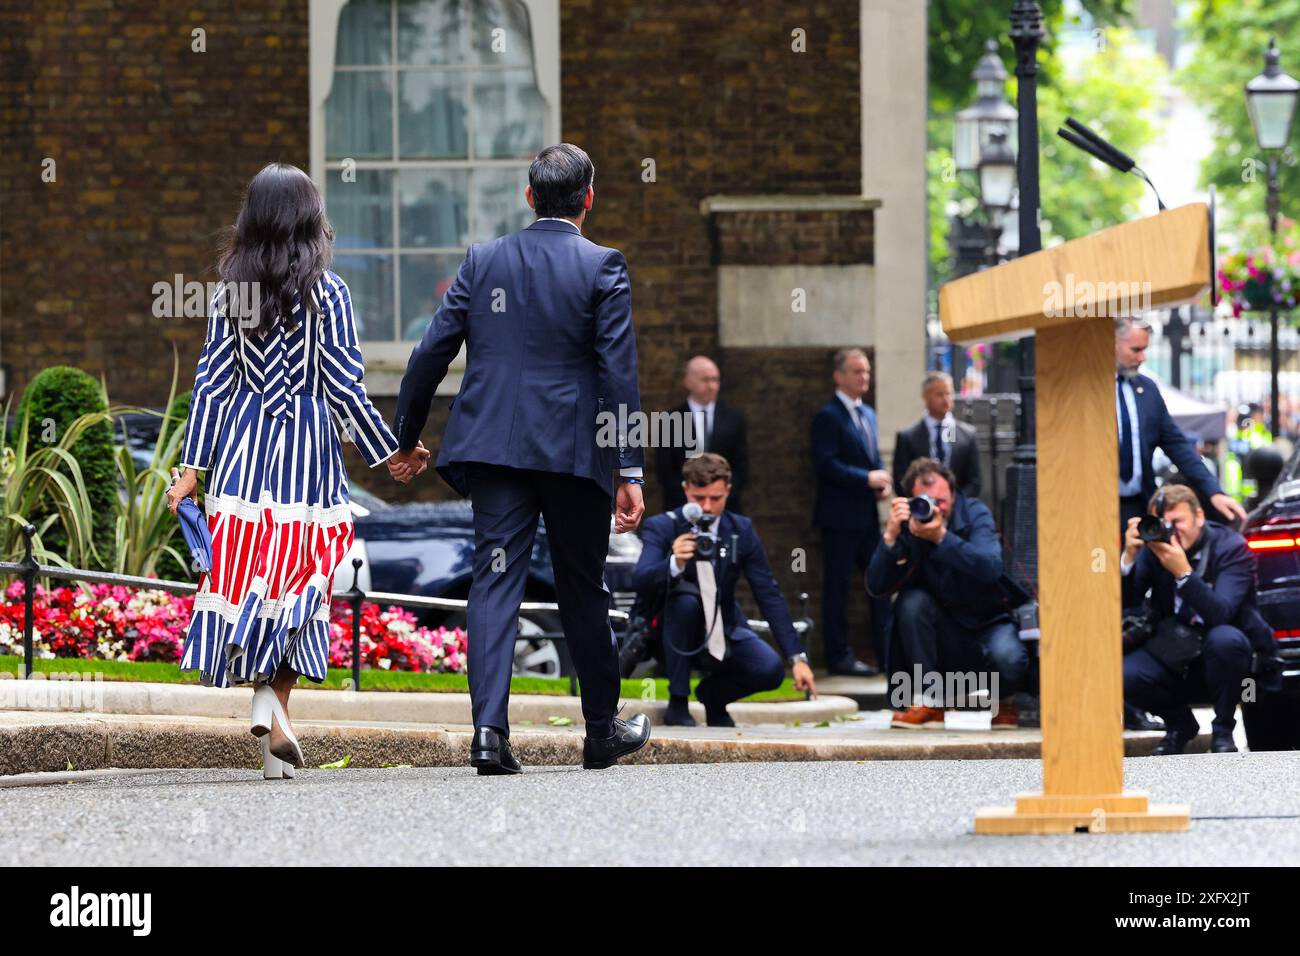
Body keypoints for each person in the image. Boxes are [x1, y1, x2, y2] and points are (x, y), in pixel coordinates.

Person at [389, 143, 650, 774]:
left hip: (497, 452)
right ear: (588, 199)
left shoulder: (484, 260)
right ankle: (598, 732)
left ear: (529, 197)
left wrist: (405, 434)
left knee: (494, 580)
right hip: (572, 454)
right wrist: (630, 469)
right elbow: (619, 374)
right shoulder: (602, 266)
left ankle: (488, 733)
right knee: (583, 589)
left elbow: (430, 352)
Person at [165, 163, 428, 779]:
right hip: (307, 458)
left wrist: (191, 469)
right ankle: (271, 708)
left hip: (241, 454)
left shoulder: (231, 294)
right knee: (302, 584)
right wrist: (387, 452)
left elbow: (211, 386)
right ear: (310, 218)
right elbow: (342, 386)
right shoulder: (329, 292)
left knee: (249, 582)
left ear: (252, 219)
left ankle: (269, 735)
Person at [632, 453, 816, 726]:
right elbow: (641, 580)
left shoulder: (741, 530)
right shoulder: (663, 526)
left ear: (728, 490)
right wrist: (674, 563)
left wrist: (796, 657)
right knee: (686, 601)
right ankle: (678, 702)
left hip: (723, 628)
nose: (706, 507)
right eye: (698, 498)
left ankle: (713, 697)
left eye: (715, 499)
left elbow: (768, 593)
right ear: (685, 490)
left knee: (770, 669)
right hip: (669, 633)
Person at [867, 457, 1029, 729]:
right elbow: (876, 587)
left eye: (941, 500)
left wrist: (942, 538)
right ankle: (929, 702)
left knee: (1010, 658)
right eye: (926, 502)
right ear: (911, 501)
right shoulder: (910, 525)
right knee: (911, 602)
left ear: (954, 494)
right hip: (943, 630)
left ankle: (1004, 700)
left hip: (987, 622)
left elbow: (990, 567)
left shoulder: (976, 513)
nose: (935, 509)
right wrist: (891, 537)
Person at [1121, 483, 1278, 755]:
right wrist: (1128, 558)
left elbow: (1222, 613)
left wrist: (1183, 573)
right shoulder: (1155, 547)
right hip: (1175, 647)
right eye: (1163, 523)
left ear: (1200, 516)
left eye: (1178, 521)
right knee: (1123, 674)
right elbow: (1128, 601)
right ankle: (1180, 724)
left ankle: (1223, 731)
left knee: (1226, 641)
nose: (1170, 531)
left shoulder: (1231, 547)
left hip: (1227, 654)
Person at [1115, 316, 1246, 532]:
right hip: (1097, 506)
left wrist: (1214, 492)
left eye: (1145, 349)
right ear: (1111, 344)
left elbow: (1178, 446)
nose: (1143, 357)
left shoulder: (1147, 389)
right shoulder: (1093, 391)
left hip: (1139, 507)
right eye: (1135, 349)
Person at [812, 347, 892, 676]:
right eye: (857, 371)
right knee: (838, 589)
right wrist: (867, 478)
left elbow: (873, 459)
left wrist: (881, 481)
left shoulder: (869, 414)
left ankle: (887, 655)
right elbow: (826, 465)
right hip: (839, 519)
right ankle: (839, 656)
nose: (864, 378)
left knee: (881, 584)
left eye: (867, 372)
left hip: (868, 518)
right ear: (839, 376)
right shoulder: (827, 417)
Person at [654, 355, 750, 514]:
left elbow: (741, 468)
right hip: (681, 508)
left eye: (715, 380)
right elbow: (664, 471)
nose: (712, 386)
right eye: (705, 380)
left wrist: (719, 497)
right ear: (688, 382)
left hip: (726, 509)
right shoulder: (670, 420)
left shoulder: (733, 419)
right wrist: (694, 497)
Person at [892, 371, 981, 500]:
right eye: (939, 394)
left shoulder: (967, 435)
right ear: (925, 396)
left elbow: (974, 481)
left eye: (949, 393)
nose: (946, 399)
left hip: (957, 510)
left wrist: (953, 501)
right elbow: (901, 480)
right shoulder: (907, 437)